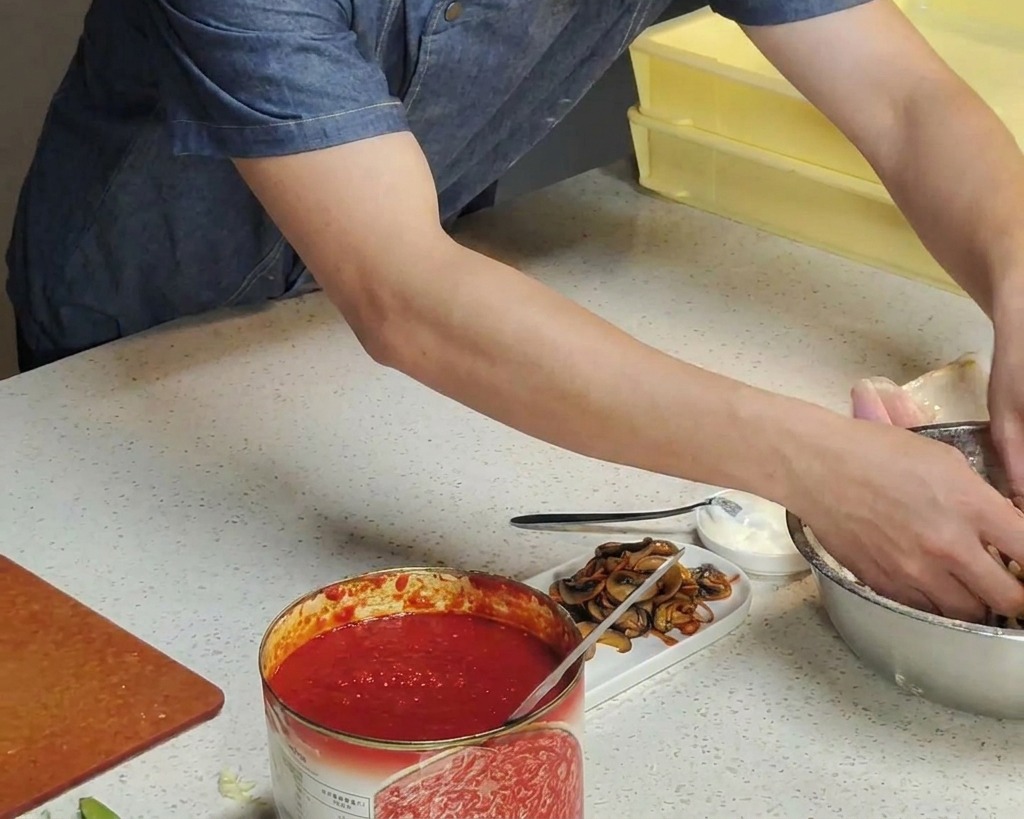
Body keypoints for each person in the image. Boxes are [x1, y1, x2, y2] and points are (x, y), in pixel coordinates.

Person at [7, 0, 1024, 621]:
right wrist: (824, 469)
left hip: (432, 341)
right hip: (135, 355)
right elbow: (401, 292)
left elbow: (907, 102)